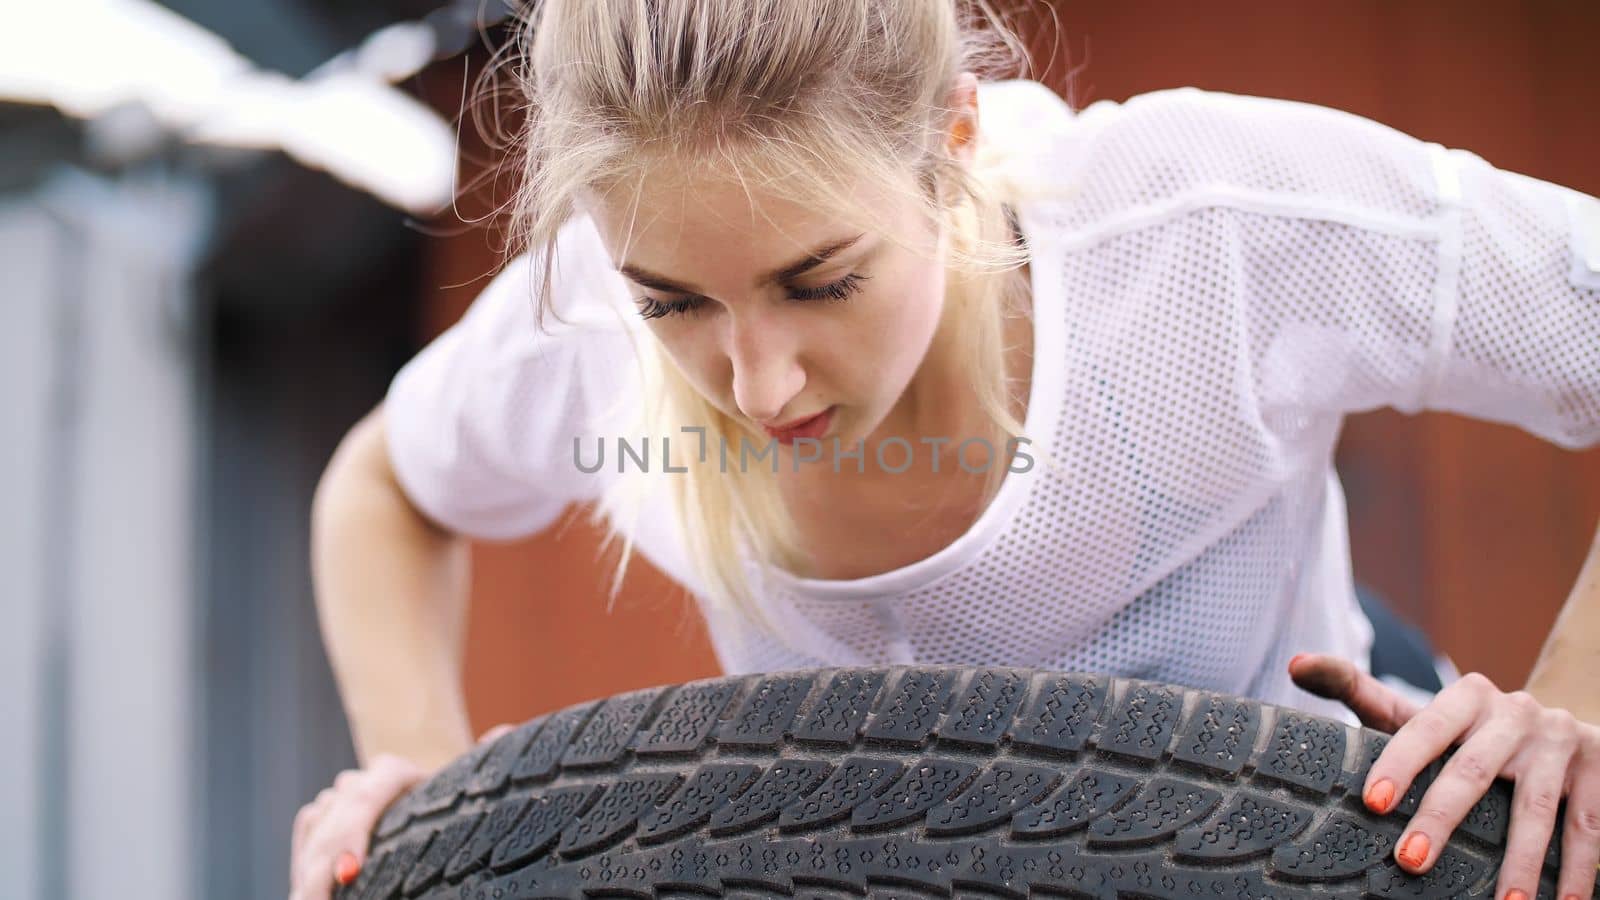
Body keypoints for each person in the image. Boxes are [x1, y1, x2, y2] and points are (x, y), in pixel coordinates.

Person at [287, 1, 1600, 898]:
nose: (758, 380)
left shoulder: (1203, 227)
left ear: (953, 142)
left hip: (1312, 785)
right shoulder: (579, 331)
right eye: (674, 303)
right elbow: (384, 484)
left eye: (821, 278)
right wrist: (434, 790)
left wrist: (1578, 705)